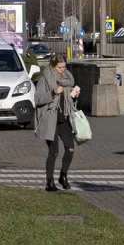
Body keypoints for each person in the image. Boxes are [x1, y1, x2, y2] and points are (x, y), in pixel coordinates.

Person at [35, 54, 81, 192]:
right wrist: (54, 92)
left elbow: (69, 102)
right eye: (59, 67)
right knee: (53, 152)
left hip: (64, 118)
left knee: (70, 148)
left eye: (64, 67)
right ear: (52, 66)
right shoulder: (45, 79)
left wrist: (74, 97)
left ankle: (63, 176)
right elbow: (38, 100)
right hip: (50, 119)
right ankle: (49, 182)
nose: (62, 70)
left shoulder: (67, 79)